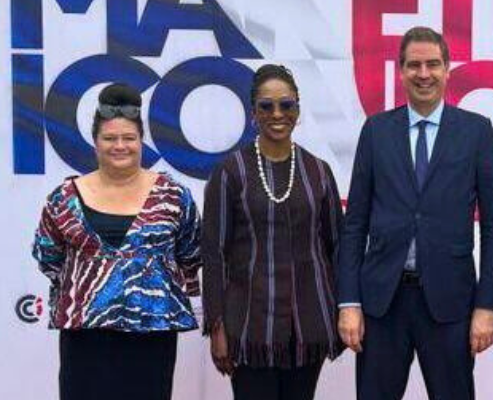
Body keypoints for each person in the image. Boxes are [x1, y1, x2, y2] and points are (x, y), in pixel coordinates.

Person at [337, 26, 493, 399]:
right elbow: (355, 224)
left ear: (447, 69)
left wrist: (487, 305)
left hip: (451, 301)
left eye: (433, 64)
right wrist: (349, 302)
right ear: (401, 71)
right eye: (414, 65)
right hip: (383, 301)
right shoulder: (376, 130)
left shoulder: (476, 131)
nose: (424, 73)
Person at [32, 83, 203, 400]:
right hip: (85, 336)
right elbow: (48, 256)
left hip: (152, 333)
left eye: (129, 138)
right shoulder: (63, 198)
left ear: (141, 141)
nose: (120, 146)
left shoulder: (174, 196)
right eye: (110, 138)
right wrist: (89, 286)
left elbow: (190, 253)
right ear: (95, 142)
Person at [201, 64, 344, 400]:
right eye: (266, 106)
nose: (277, 114)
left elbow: (337, 245)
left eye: (286, 104)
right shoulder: (230, 172)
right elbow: (214, 253)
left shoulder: (318, 171)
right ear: (254, 113)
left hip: (308, 323)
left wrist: (344, 310)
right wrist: (216, 326)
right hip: (249, 326)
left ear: (298, 109)